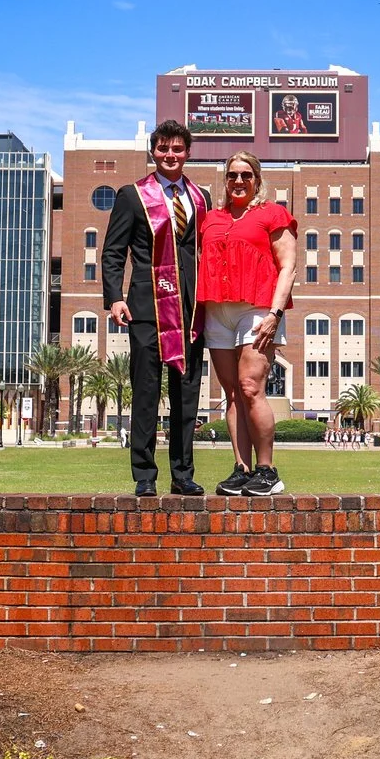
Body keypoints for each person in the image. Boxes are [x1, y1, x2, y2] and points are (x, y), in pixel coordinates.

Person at [103, 121, 210, 497]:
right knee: (146, 390)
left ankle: (182, 474)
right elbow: (114, 252)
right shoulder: (132, 196)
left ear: (188, 153)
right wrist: (115, 297)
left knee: (187, 392)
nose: (170, 155)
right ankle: (144, 475)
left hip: (191, 307)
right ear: (154, 151)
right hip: (147, 308)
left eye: (177, 149)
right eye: (163, 148)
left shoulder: (200, 197)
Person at [193, 150, 299, 495]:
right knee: (232, 394)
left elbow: (288, 266)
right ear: (225, 180)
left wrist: (275, 314)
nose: (239, 181)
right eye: (233, 175)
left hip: (257, 309)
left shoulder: (273, 214)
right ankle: (241, 469)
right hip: (216, 311)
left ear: (257, 179)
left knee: (251, 387)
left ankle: (267, 470)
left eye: (246, 175)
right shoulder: (211, 218)